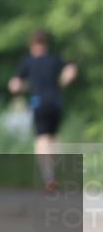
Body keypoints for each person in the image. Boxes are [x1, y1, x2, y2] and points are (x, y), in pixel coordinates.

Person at [8, 29, 78, 191]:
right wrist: (63, 82)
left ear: (32, 44)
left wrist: (21, 87)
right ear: (46, 44)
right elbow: (71, 71)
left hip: (39, 103)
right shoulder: (55, 60)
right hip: (55, 103)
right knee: (53, 138)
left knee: (41, 139)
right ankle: (56, 172)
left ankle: (48, 176)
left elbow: (14, 85)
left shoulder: (28, 62)